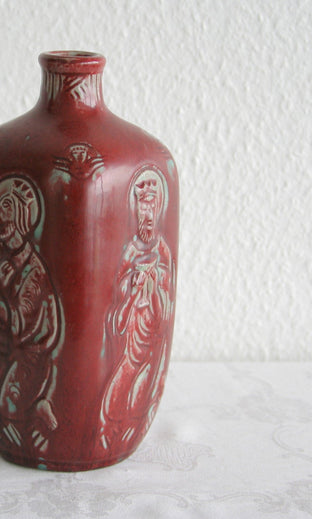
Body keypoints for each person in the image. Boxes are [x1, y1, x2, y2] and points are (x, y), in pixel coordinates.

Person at [0, 175, 62, 454]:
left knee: (7, 407)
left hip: (31, 354)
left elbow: (15, 326)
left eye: (7, 207)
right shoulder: (3, 260)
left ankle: (38, 408)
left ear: (23, 216)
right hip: (5, 346)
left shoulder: (34, 274)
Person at [100, 168, 174, 450]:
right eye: (142, 208)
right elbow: (118, 301)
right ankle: (110, 426)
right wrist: (132, 288)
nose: (147, 215)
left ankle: (129, 427)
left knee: (140, 395)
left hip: (151, 337)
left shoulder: (162, 250)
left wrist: (152, 286)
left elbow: (164, 305)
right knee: (121, 384)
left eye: (151, 208)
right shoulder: (130, 251)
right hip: (132, 336)